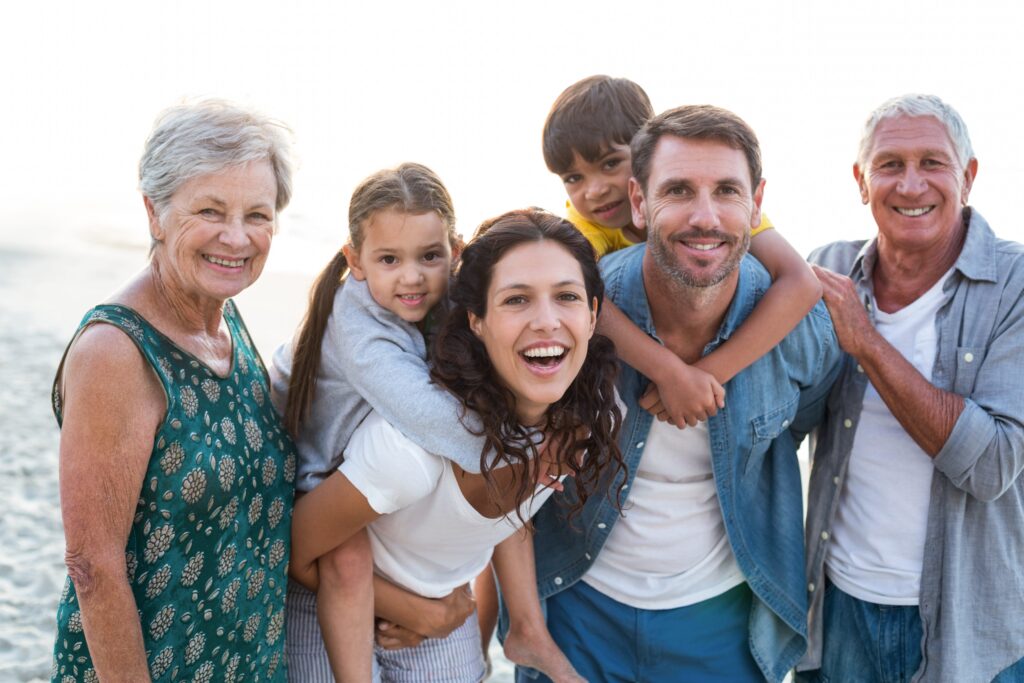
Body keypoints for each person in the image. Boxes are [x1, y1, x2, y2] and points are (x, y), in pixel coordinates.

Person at [516, 105, 842, 683]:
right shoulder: (574, 309)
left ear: (757, 200)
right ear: (639, 202)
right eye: (678, 191)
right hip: (578, 611)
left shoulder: (800, 333)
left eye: (726, 191)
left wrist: (706, 373)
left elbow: (805, 422)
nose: (705, 216)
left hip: (723, 625)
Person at [279, 207, 621, 681]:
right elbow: (294, 550)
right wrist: (418, 611)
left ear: (592, 314)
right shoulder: (409, 450)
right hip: (330, 596)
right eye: (517, 300)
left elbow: (503, 517)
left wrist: (514, 624)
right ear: (476, 320)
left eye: (566, 296)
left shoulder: (574, 421)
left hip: (445, 604)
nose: (546, 321)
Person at [50, 100, 297, 682]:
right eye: (210, 210)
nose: (236, 237)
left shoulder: (224, 320)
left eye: (257, 215)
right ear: (154, 213)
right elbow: (92, 567)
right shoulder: (116, 351)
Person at [798, 94, 1024, 683]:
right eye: (890, 164)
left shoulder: (1014, 285)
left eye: (933, 163)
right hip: (839, 606)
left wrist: (867, 341)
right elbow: (779, 417)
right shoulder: (829, 268)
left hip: (972, 628)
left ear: (968, 177)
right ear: (861, 181)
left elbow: (994, 464)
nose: (911, 184)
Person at [541, 75, 822, 426]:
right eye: (573, 178)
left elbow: (802, 282)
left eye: (610, 163)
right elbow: (580, 298)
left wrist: (707, 374)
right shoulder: (586, 226)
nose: (594, 191)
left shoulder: (721, 210)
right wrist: (670, 373)